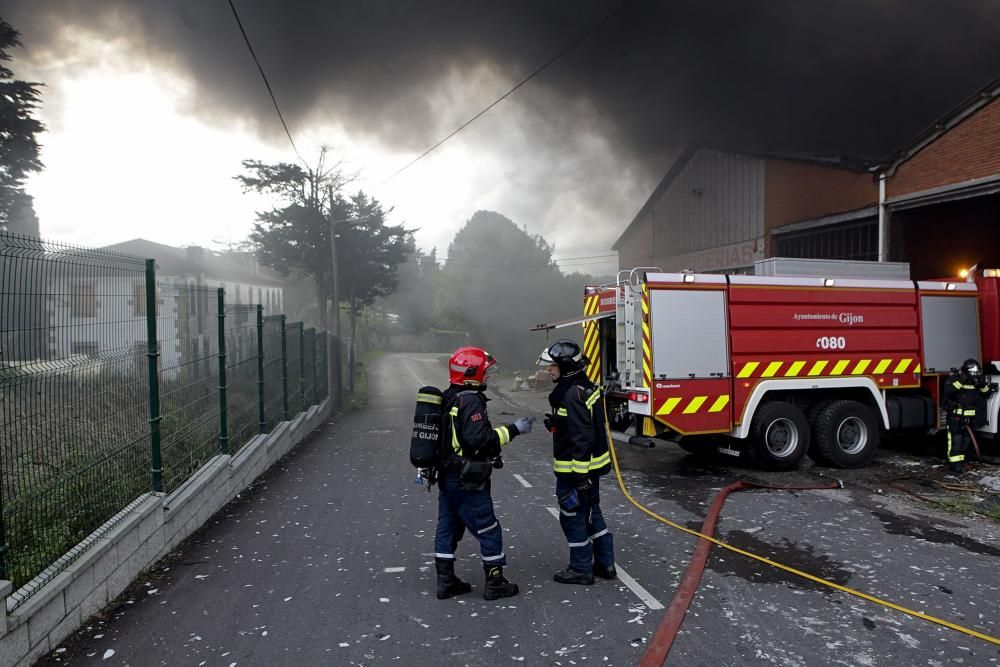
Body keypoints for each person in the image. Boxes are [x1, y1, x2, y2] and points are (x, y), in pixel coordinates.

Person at [434, 346, 534, 600]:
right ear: (472, 373)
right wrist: (514, 430)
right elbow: (480, 440)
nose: (488, 377)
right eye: (484, 372)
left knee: (448, 526)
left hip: (447, 476)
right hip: (467, 479)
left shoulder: (449, 397)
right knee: (489, 528)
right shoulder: (470, 400)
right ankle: (495, 582)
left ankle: (445, 582)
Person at [537, 339, 616, 585]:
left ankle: (581, 568)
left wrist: (580, 477)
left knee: (572, 516)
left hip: (575, 472)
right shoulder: (583, 387)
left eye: (552, 366)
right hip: (590, 469)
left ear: (566, 366)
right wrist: (557, 424)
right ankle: (605, 563)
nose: (549, 370)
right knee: (593, 512)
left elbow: (583, 437)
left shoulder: (571, 393)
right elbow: (581, 425)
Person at [941, 358, 995, 473]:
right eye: (973, 373)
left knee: (965, 441)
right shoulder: (955, 379)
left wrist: (982, 384)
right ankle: (954, 464)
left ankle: (961, 461)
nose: (975, 376)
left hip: (969, 419)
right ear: (966, 372)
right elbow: (948, 392)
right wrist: (961, 381)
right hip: (956, 417)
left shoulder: (976, 381)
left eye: (977, 373)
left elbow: (987, 394)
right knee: (955, 440)